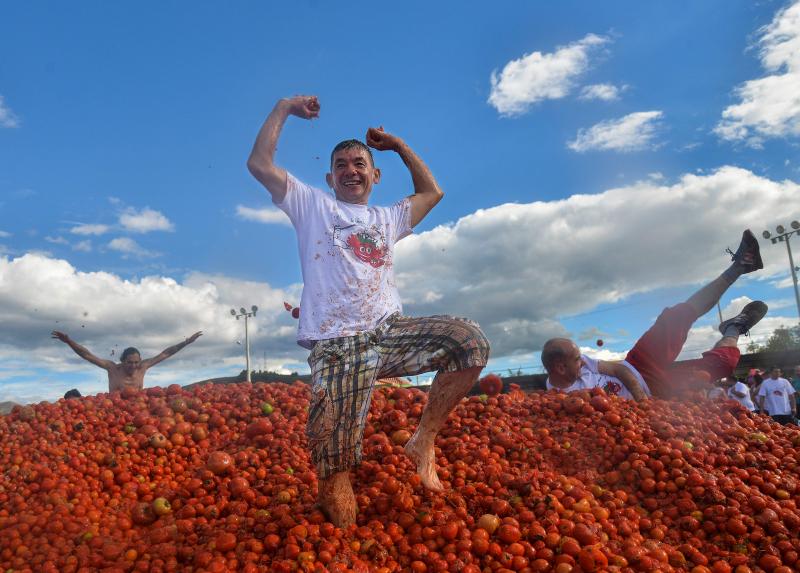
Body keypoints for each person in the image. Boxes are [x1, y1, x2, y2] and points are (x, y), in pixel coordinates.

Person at [247, 95, 490, 527]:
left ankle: (423, 440)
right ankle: (337, 509)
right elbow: (260, 164)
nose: (350, 170)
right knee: (338, 490)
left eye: (359, 164)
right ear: (329, 176)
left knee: (469, 342)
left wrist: (397, 146)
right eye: (341, 165)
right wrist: (284, 107)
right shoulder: (313, 205)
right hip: (338, 345)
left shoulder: (387, 218)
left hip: (389, 332)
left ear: (375, 175)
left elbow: (432, 192)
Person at [542, 230, 766, 400]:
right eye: (575, 360)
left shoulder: (579, 362)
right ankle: (734, 327)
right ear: (560, 368)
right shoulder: (559, 399)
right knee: (717, 367)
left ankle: (741, 265)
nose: (581, 361)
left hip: (638, 363)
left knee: (674, 317)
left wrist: (641, 401)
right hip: (659, 389)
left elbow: (618, 369)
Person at [51, 331, 202, 393]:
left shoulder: (143, 367)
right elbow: (88, 355)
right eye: (130, 362)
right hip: (116, 410)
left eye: (136, 362)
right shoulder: (112, 368)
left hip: (138, 410)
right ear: (122, 361)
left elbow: (166, 353)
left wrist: (186, 343)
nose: (133, 366)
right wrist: (69, 342)